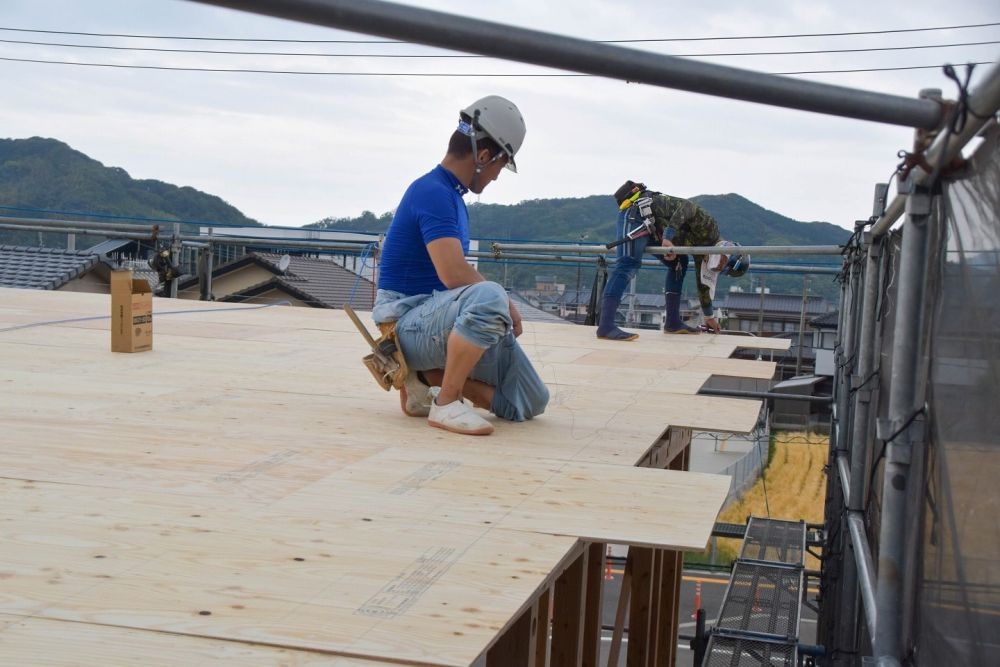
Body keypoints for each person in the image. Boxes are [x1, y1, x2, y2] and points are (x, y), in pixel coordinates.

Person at [371, 95, 549, 436]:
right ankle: (446, 403)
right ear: (484, 156)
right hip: (404, 325)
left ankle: (424, 379)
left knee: (530, 400)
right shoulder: (432, 192)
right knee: (490, 296)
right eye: (500, 166)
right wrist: (505, 304)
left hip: (433, 321)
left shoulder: (450, 195)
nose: (497, 177)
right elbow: (453, 274)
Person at [596, 180, 749, 340]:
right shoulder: (710, 229)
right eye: (721, 262)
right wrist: (669, 237)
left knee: (679, 264)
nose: (716, 265)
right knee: (627, 264)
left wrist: (709, 316)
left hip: (654, 230)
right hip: (637, 215)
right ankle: (605, 326)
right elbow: (688, 207)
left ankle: (672, 322)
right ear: (726, 248)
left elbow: (703, 284)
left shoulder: (705, 254)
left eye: (719, 268)